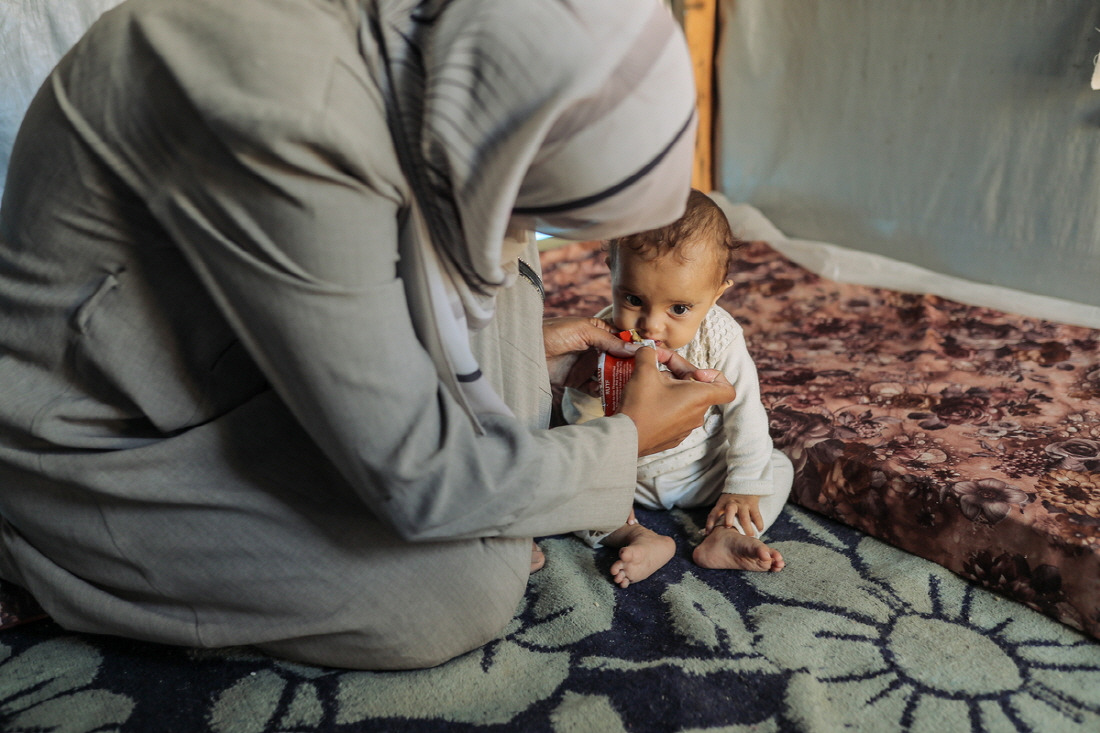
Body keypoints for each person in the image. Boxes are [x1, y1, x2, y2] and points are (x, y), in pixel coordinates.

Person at [0, 0, 738, 670]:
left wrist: (533, 355)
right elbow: (417, 478)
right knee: (461, 588)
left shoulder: (435, 54)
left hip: (246, 365)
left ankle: (501, 484)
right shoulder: (287, 109)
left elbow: (427, 251)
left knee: (506, 257)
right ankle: (42, 551)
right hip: (112, 443)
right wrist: (623, 441)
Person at [564, 190, 794, 588]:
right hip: (626, 477)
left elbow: (745, 414)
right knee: (562, 477)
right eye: (633, 298)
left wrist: (742, 486)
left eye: (680, 309)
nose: (652, 326)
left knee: (774, 467)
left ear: (717, 293)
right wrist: (601, 476)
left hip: (702, 470)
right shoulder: (601, 337)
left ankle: (730, 535)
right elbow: (579, 415)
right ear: (611, 272)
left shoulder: (720, 338)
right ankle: (633, 535)